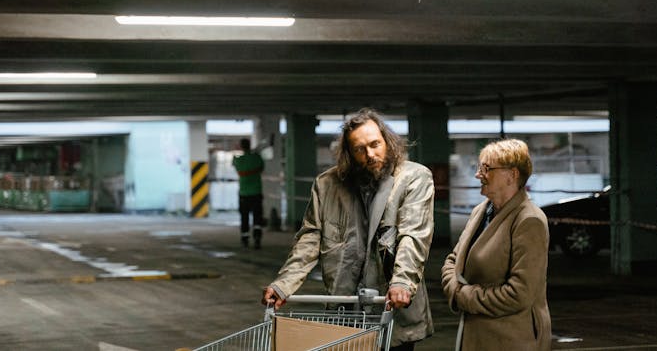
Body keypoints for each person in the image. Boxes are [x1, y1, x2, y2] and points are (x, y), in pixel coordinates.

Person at [262, 108, 435, 351]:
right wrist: (284, 284)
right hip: (345, 307)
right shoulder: (327, 185)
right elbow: (310, 238)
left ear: (387, 141)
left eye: (375, 144)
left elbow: (413, 234)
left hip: (392, 306)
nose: (370, 154)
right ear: (349, 153)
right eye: (360, 149)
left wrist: (403, 283)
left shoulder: (414, 178)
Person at [441, 139, 551, 351]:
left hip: (512, 340)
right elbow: (454, 260)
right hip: (477, 337)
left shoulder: (530, 220)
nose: (478, 174)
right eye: (479, 167)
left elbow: (518, 294)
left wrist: (463, 296)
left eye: (486, 168)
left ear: (512, 175)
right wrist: (455, 287)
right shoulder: (481, 211)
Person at [232, 138, 264, 249]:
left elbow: (235, 165)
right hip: (256, 192)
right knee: (257, 217)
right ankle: (257, 238)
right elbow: (261, 167)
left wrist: (236, 153)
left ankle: (245, 239)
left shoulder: (238, 160)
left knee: (244, 217)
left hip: (244, 194)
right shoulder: (257, 158)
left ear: (241, 146)